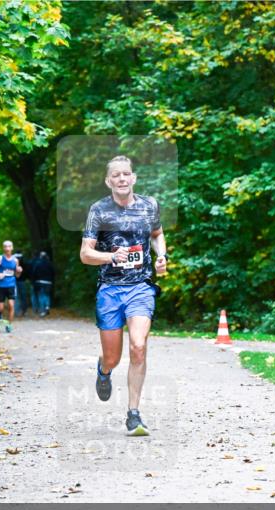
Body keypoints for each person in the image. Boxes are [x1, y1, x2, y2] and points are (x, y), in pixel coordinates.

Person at [79, 155, 167, 436]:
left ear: (134, 178)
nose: (122, 179)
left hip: (140, 287)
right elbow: (85, 254)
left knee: (138, 346)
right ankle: (104, 371)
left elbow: (157, 234)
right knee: (113, 357)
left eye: (126, 174)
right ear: (108, 181)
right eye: (116, 175)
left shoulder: (149, 205)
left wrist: (161, 255)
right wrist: (109, 256)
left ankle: (134, 414)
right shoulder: (99, 211)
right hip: (110, 291)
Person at [0, 240, 22, 333]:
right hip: (0, 285)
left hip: (11, 285)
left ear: (12, 248)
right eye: (5, 246)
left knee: (12, 305)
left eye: (9, 246)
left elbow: (17, 275)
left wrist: (19, 271)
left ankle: (9, 325)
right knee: (1, 308)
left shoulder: (15, 260)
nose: (7, 248)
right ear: (3, 248)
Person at [31, 251, 54, 317]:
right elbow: (53, 273)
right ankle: (47, 306)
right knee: (47, 295)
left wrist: (34, 281)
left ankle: (43, 310)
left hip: (40, 282)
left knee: (41, 295)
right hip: (48, 282)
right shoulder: (50, 264)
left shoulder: (38, 264)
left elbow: (34, 273)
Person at [14, 250, 32, 317]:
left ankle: (17, 311)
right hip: (22, 281)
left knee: (16, 296)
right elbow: (27, 271)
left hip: (14, 281)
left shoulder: (13, 260)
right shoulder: (24, 261)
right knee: (23, 296)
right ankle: (23, 311)